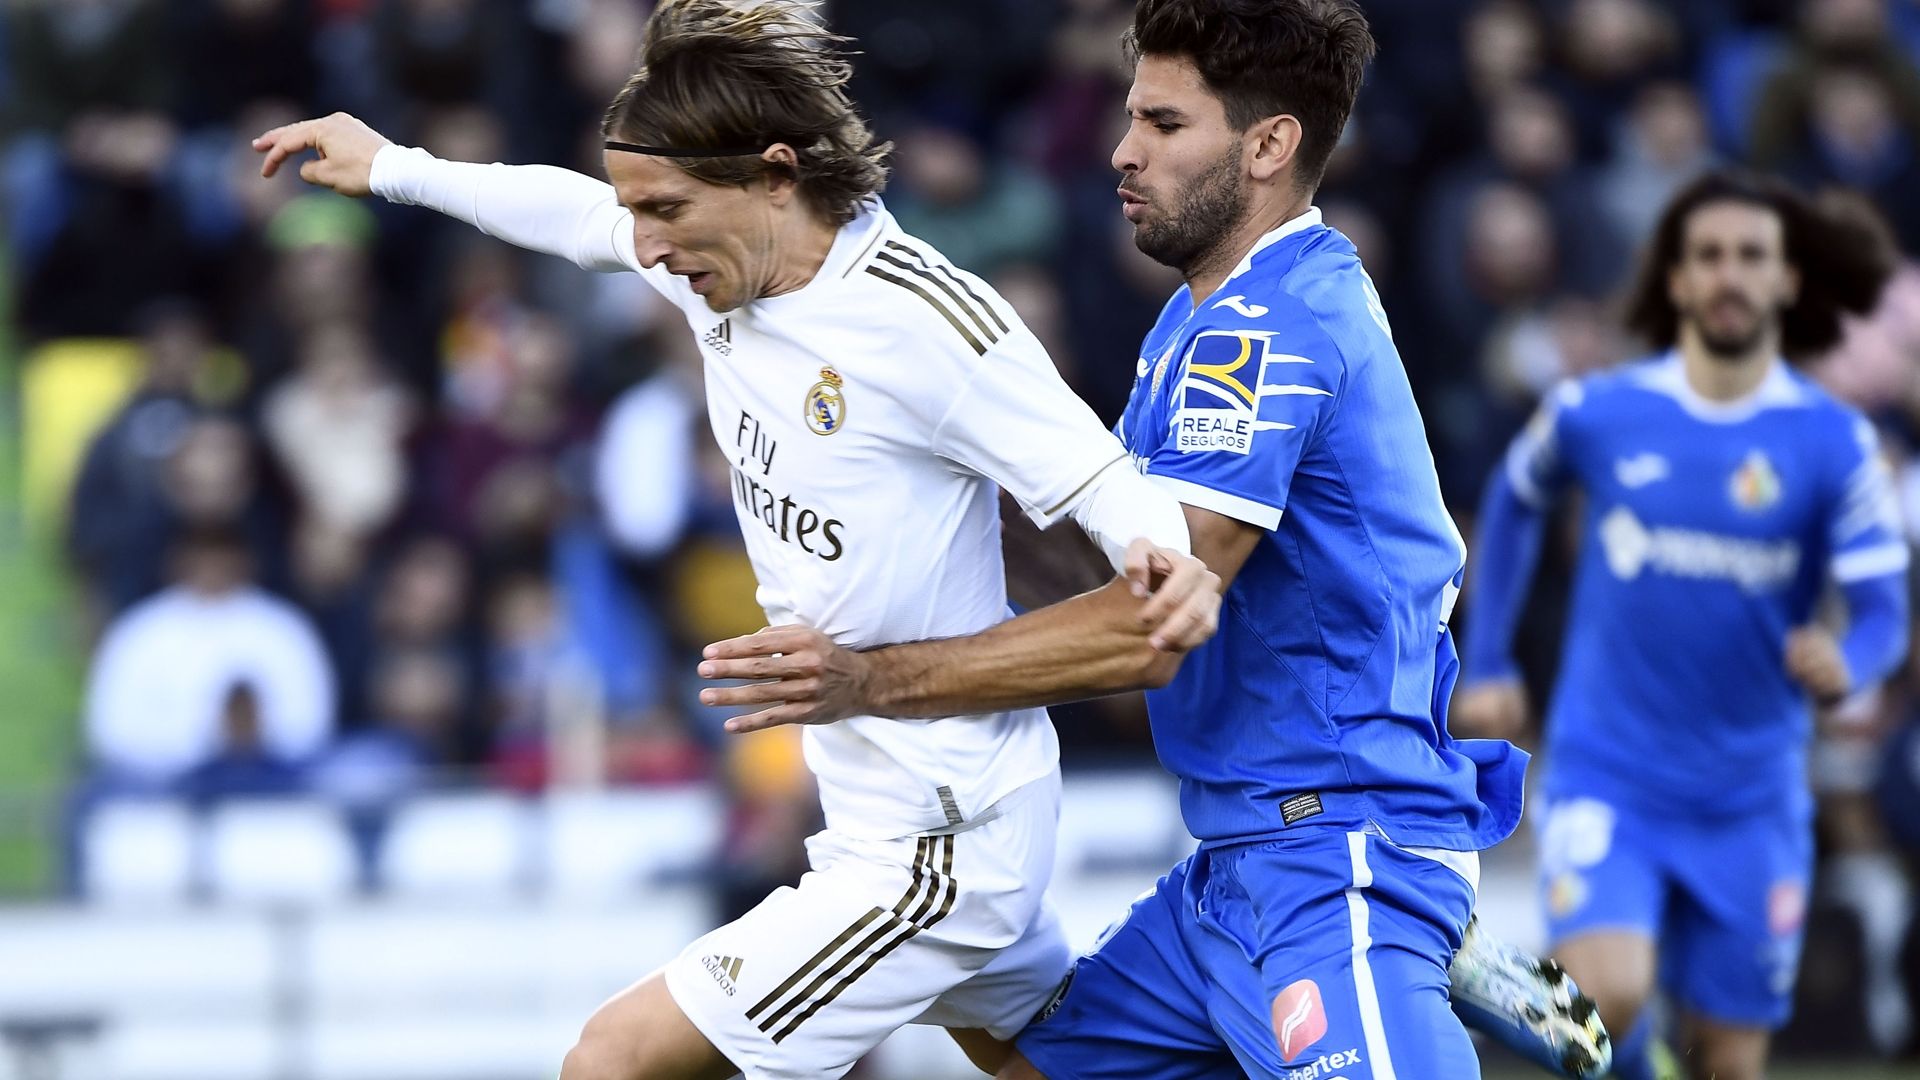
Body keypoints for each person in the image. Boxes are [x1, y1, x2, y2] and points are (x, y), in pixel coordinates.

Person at [252, 2, 1222, 1078]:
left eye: (664, 209)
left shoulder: (928, 323)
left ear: (773, 175)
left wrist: (1164, 560)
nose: (647, 243)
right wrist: (395, 166)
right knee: (1045, 1064)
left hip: (940, 842)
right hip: (877, 808)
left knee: (608, 1059)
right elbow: (575, 216)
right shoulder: (712, 257)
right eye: (640, 211)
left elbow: (1097, 477)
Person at [698, 1, 1607, 1077]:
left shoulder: (1265, 335)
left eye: (1165, 125)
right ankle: (1418, 956)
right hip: (1236, 861)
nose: (1123, 150)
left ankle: (1400, 941)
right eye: (1133, 117)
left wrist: (873, 679)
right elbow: (1115, 557)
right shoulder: (1198, 318)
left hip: (1335, 850)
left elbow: (1150, 624)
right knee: (1027, 1058)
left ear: (1270, 145)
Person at [1452, 170, 1908, 1080]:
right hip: (1610, 773)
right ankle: (1622, 1051)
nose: (1729, 275)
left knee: (1728, 1064)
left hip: (1753, 793)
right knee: (1601, 998)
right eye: (1708, 257)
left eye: (1751, 257)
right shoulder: (1601, 411)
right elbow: (1513, 497)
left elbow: (1885, 608)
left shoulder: (1832, 442)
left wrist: (1846, 660)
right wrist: (1491, 655)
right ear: (1676, 281)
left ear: (1785, 281)